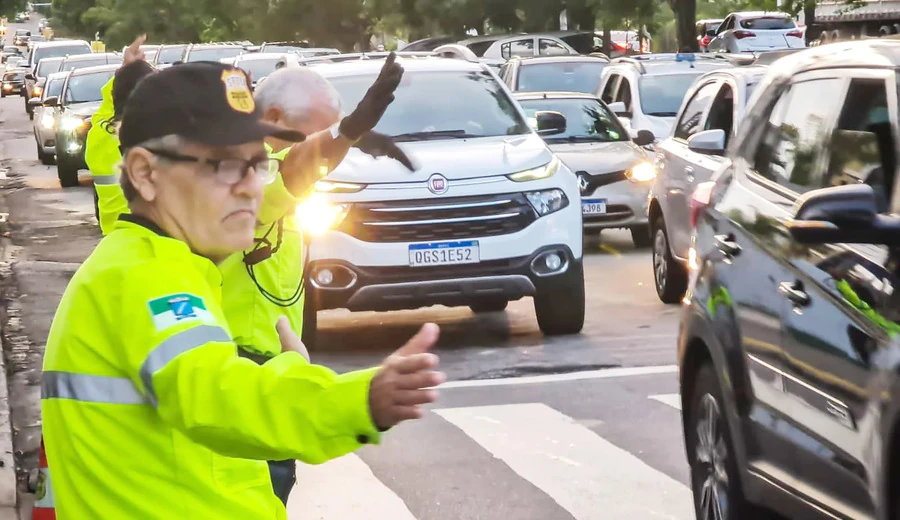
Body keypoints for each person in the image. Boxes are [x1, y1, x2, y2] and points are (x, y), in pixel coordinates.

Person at [40, 61, 445, 519]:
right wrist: (360, 400)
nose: (251, 188)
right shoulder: (147, 277)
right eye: (226, 167)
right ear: (146, 174)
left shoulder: (158, 266)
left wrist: (288, 369)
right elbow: (215, 396)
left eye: (257, 166)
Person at [219, 61, 415, 503]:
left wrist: (346, 137)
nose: (328, 149)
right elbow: (297, 168)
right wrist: (348, 132)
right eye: (317, 133)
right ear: (273, 119)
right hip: (243, 368)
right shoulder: (245, 174)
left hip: (269, 367)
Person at [85, 35, 155, 234]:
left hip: (114, 233)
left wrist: (126, 69)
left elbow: (109, 103)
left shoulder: (97, 133)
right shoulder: (151, 133)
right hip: (149, 233)